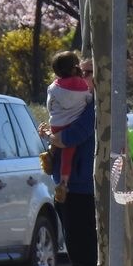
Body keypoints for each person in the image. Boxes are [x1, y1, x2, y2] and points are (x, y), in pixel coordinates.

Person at [41, 57, 98, 266]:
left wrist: (54, 137)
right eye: (82, 71)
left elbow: (71, 137)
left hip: (84, 190)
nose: (84, 76)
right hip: (68, 188)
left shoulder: (94, 108)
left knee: (86, 254)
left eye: (90, 73)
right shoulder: (76, 104)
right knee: (77, 251)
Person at [46, 51, 92, 201]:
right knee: (67, 155)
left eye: (88, 72)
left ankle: (50, 155)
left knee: (58, 145)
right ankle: (63, 182)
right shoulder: (82, 88)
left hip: (56, 123)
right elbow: (87, 99)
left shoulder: (54, 86)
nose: (83, 75)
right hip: (69, 124)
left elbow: (50, 104)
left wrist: (48, 133)